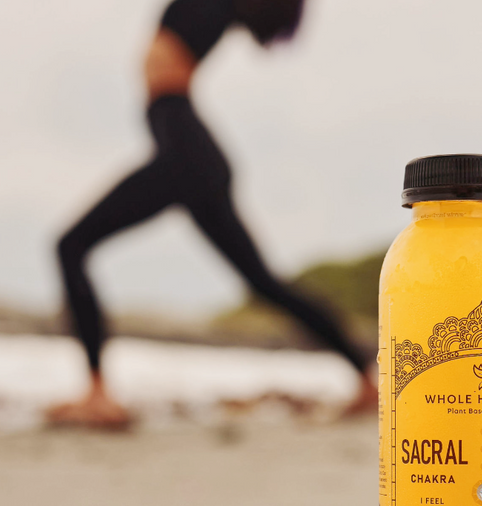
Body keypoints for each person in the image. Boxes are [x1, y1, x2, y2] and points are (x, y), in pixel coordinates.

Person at [48, 0, 377, 427]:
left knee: (70, 245)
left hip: (186, 153)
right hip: (192, 155)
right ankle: (366, 378)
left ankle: (97, 395)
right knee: (263, 282)